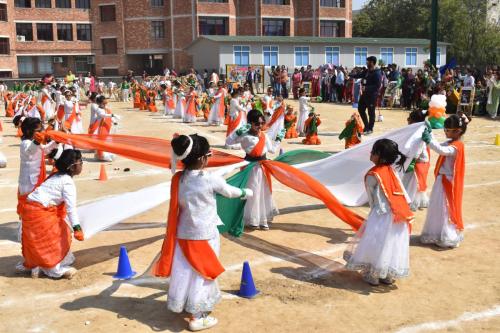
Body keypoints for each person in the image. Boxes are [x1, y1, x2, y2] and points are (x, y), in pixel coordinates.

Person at [153, 134, 252, 332]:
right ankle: (197, 316)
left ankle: (180, 303)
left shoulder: (178, 179)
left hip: (183, 233)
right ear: (202, 158)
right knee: (202, 273)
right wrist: (245, 192)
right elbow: (230, 192)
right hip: (204, 235)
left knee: (184, 270)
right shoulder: (210, 179)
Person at [344, 139, 413, 286]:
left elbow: (371, 198)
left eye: (373, 151)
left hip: (382, 213)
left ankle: (373, 274)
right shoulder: (392, 171)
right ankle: (386, 274)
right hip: (399, 213)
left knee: (377, 242)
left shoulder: (373, 174)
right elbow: (403, 193)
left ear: (380, 155)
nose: (371, 153)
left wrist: (374, 212)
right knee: (392, 243)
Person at [20, 149, 84, 279]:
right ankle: (54, 269)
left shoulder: (55, 175)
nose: (82, 164)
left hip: (29, 208)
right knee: (55, 235)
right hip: (40, 212)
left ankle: (37, 265)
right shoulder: (67, 182)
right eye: (80, 162)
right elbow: (71, 208)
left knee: (39, 239)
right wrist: (77, 228)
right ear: (72, 167)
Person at [225, 110, 283, 230]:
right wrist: (237, 132)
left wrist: (278, 139)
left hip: (262, 168)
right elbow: (228, 142)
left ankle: (262, 219)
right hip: (249, 168)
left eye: (262, 123)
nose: (260, 126)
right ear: (250, 123)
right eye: (257, 124)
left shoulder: (264, 135)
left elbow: (271, 150)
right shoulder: (244, 135)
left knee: (263, 191)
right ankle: (252, 219)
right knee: (252, 192)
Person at [420, 115, 467, 248]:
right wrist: (430, 134)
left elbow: (442, 150)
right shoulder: (451, 143)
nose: (446, 132)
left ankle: (448, 235)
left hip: (448, 182)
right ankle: (436, 233)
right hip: (442, 180)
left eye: (448, 130)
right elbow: (439, 145)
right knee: (437, 207)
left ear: (458, 131)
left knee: (445, 209)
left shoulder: (456, 146)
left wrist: (429, 140)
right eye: (445, 129)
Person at [402, 109, 430, 211]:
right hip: (417, 160)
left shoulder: (420, 132)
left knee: (415, 183)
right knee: (414, 183)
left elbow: (418, 150)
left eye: (409, 119)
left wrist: (410, 160)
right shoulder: (418, 129)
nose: (407, 120)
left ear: (414, 121)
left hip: (419, 161)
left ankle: (413, 202)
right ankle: (418, 201)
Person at [350, 56, 382, 135]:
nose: (367, 63)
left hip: (372, 96)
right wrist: (349, 74)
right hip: (364, 95)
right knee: (360, 109)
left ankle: (370, 128)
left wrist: (367, 88)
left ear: (372, 62)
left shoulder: (377, 73)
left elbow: (377, 86)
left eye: (368, 62)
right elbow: (358, 75)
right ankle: (366, 126)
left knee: (371, 112)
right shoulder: (367, 71)